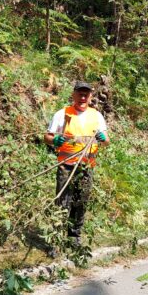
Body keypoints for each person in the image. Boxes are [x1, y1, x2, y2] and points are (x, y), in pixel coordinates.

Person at [44, 81, 110, 247]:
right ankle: (55, 240)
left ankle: (74, 238)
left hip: (86, 167)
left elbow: (107, 140)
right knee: (62, 202)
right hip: (66, 166)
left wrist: (103, 139)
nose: (82, 97)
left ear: (90, 97)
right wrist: (55, 140)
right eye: (79, 94)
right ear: (73, 95)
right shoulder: (62, 114)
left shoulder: (97, 116)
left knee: (81, 202)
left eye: (86, 95)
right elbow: (47, 137)